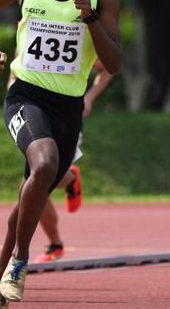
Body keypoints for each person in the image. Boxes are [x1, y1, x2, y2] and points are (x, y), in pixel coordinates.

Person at [0, 0, 122, 309]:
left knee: (31, 192)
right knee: (45, 165)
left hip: (68, 107)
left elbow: (113, 62)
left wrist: (90, 16)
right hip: (25, 96)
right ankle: (20, 261)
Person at [27, 58, 112, 262]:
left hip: (67, 114)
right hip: (35, 112)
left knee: (42, 178)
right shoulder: (28, 28)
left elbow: (108, 68)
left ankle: (71, 177)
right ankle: (55, 244)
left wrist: (89, 97)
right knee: (35, 178)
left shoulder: (74, 31)